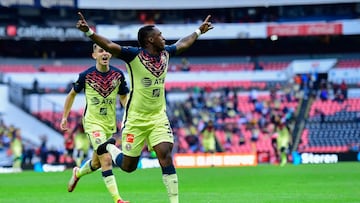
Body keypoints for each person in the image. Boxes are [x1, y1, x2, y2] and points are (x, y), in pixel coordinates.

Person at [76, 12, 214, 203]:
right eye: (160, 35)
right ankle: (108, 146)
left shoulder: (166, 53)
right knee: (128, 166)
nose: (163, 37)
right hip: (136, 119)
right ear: (150, 39)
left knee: (165, 154)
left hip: (158, 117)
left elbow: (183, 44)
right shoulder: (134, 55)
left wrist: (199, 31)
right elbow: (110, 46)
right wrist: (89, 32)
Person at [60, 43, 130, 203]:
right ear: (94, 56)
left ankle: (77, 173)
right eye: (101, 51)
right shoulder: (86, 75)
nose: (104, 53)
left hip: (109, 124)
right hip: (92, 123)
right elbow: (71, 95)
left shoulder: (118, 75)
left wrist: (130, 113)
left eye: (107, 51)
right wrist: (64, 116)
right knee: (106, 159)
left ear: (111, 54)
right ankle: (118, 199)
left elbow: (124, 96)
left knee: (97, 162)